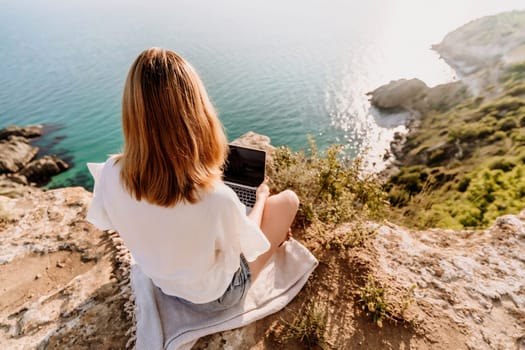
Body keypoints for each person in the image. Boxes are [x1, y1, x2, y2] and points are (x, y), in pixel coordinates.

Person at [87, 47, 299, 312]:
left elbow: (122, 220)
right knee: (288, 201)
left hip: (164, 284)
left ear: (133, 112)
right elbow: (249, 244)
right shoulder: (214, 198)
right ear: (196, 112)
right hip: (217, 297)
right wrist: (261, 199)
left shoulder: (109, 173)